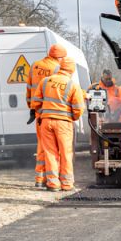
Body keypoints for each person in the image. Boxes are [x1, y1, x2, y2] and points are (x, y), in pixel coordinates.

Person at [35, 56, 85, 192]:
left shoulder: (45, 81)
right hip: (64, 123)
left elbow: (35, 103)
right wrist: (73, 117)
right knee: (66, 153)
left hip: (46, 122)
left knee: (50, 153)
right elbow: (79, 108)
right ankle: (67, 184)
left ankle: (53, 183)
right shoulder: (73, 85)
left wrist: (43, 114)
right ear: (72, 70)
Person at [26, 44, 67, 188]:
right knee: (55, 149)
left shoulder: (35, 66)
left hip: (38, 112)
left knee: (42, 146)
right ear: (59, 57)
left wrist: (31, 108)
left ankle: (39, 178)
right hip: (53, 113)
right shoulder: (57, 69)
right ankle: (55, 180)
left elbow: (29, 88)